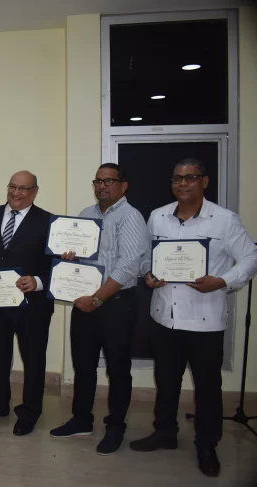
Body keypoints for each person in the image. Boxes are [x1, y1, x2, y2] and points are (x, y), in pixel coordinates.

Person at [129, 159, 257, 477]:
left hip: (206, 319)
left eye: (191, 178)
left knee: (207, 386)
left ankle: (207, 444)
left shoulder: (225, 220)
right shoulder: (158, 216)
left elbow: (251, 258)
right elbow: (147, 255)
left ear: (205, 181)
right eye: (177, 178)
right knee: (167, 380)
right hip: (164, 317)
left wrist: (223, 281)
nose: (183, 183)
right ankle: (165, 432)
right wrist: (147, 274)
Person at [49, 163, 149, 456]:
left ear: (123, 185)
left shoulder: (131, 217)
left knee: (118, 369)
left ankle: (115, 426)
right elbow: (77, 260)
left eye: (109, 181)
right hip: (84, 303)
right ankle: (81, 419)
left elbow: (129, 265)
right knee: (83, 365)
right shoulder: (86, 215)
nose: (102, 186)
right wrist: (68, 257)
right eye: (98, 181)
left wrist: (98, 298)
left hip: (115, 303)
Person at [0, 171, 54, 436]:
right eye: (12, 187)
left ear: (35, 192)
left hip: (34, 306)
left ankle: (30, 412)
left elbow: (58, 265)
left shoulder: (48, 221)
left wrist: (39, 281)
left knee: (33, 360)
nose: (16, 193)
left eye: (23, 188)